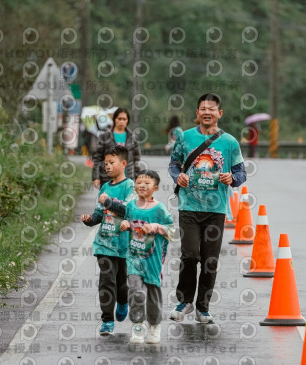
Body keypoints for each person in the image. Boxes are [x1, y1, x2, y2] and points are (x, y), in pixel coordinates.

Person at [167, 93, 247, 323]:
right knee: (190, 255)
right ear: (197, 113)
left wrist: (231, 178)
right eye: (202, 108)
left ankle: (203, 307)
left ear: (219, 114)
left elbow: (242, 173)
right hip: (189, 207)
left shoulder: (230, 142)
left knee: (210, 259)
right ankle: (184, 302)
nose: (207, 112)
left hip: (216, 210)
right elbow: (173, 165)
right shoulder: (185, 138)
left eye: (211, 109)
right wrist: (178, 176)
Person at [81, 145, 136, 335]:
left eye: (111, 163)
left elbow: (128, 210)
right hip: (104, 242)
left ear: (123, 163)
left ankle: (123, 301)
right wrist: (90, 220)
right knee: (106, 281)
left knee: (121, 283)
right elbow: (99, 213)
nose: (108, 167)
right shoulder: (105, 187)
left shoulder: (130, 186)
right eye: (105, 164)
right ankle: (107, 320)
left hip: (122, 245)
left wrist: (109, 202)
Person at [120, 170, 174, 344]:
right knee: (135, 292)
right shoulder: (130, 206)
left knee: (152, 294)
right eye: (138, 182)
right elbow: (124, 220)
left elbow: (172, 229)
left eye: (146, 183)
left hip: (153, 259)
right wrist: (124, 224)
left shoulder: (159, 209)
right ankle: (137, 326)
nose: (141, 185)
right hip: (134, 258)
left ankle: (154, 325)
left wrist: (156, 226)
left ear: (155, 188)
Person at [92, 108, 142, 188]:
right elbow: (97, 158)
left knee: (127, 200)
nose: (122, 121)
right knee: (107, 200)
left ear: (127, 121)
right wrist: (96, 177)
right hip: (108, 177)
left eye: (124, 119)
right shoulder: (105, 137)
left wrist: (138, 178)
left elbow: (136, 159)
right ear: (114, 119)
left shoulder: (132, 138)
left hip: (127, 177)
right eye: (119, 119)